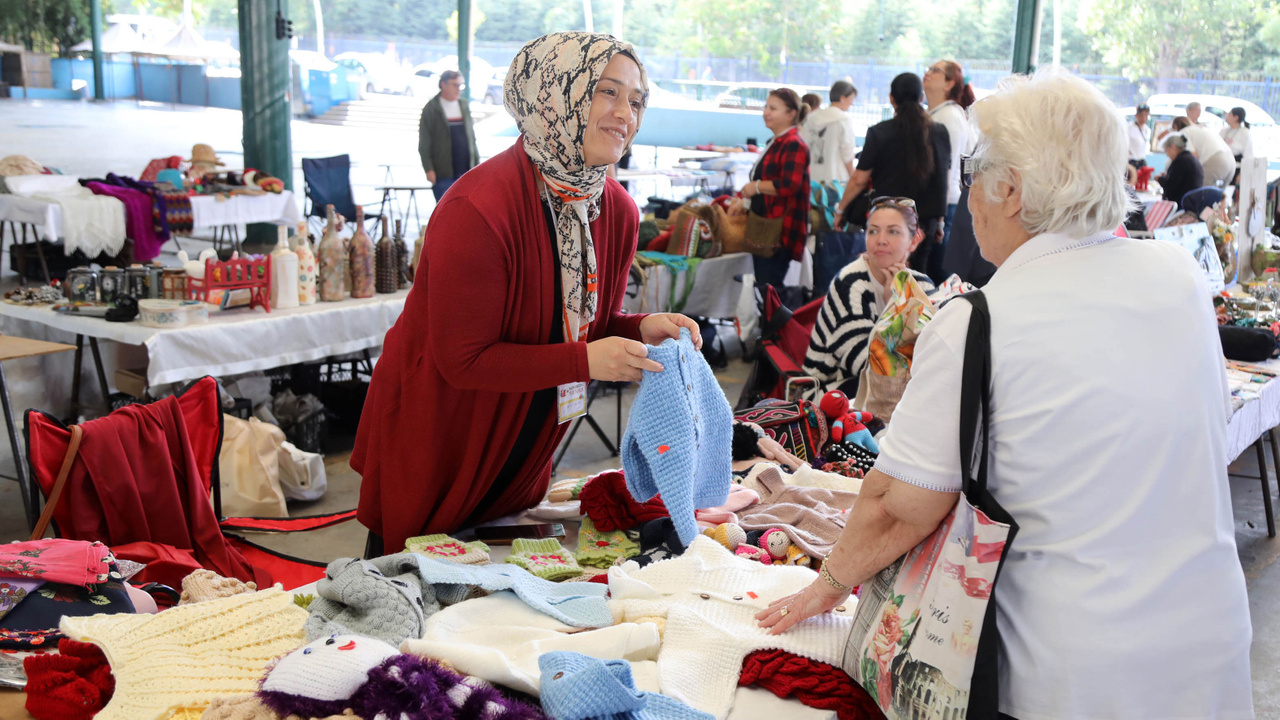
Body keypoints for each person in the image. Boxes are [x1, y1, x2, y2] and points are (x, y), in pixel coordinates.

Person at [757, 70, 1253, 720]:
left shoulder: (977, 322)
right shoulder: (1179, 276)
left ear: (1010, 190)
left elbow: (899, 504)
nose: (966, 197)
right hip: (1205, 644)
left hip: (1068, 674)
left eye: (973, 174)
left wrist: (826, 587)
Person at [354, 32, 703, 555]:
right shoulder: (478, 209)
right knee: (407, 604)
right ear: (554, 94)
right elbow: (463, 361)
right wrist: (586, 360)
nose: (624, 115)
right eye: (606, 92)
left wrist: (638, 327)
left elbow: (586, 322)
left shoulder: (615, 209)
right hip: (443, 440)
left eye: (635, 100)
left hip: (525, 443)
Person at [801, 197, 935, 400]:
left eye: (893, 231)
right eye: (873, 231)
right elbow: (865, 363)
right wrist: (894, 307)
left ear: (914, 240)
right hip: (830, 391)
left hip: (892, 387)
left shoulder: (921, 285)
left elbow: (935, 352)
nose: (881, 239)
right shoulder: (850, 283)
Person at [834, 73, 949, 276]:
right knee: (916, 276)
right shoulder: (939, 131)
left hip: (889, 221)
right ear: (921, 98)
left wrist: (841, 210)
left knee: (884, 274)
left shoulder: (880, 132)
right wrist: (939, 221)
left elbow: (859, 179)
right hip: (925, 222)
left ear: (891, 98)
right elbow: (942, 180)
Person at [728, 88, 811, 294]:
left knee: (770, 290)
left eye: (773, 108)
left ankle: (772, 327)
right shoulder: (776, 141)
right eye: (766, 106)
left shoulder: (793, 144)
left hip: (779, 231)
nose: (766, 112)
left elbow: (788, 184)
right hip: (767, 225)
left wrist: (755, 187)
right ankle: (767, 325)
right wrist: (746, 200)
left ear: (791, 114)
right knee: (765, 287)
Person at [923, 59, 976, 283]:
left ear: (949, 83)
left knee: (938, 275)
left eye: (935, 70)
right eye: (929, 68)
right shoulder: (938, 114)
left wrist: (941, 221)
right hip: (936, 205)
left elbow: (948, 169)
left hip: (943, 207)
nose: (927, 73)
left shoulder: (949, 117)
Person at [418, 70, 480, 202]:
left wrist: (476, 164)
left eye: (460, 85)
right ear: (443, 85)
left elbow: (471, 138)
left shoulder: (463, 105)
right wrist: (429, 169)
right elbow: (424, 142)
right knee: (446, 210)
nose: (458, 89)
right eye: (455, 85)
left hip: (466, 170)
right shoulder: (432, 108)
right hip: (443, 173)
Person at [802, 80, 858, 183]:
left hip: (812, 177)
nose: (852, 103)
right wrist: (854, 177)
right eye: (851, 99)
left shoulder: (811, 118)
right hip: (836, 180)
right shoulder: (844, 119)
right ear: (842, 98)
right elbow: (847, 152)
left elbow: (804, 146)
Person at [1171, 115, 1232, 188]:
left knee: (1198, 193)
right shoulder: (1200, 128)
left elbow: (1193, 156)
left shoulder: (1183, 132)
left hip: (1215, 160)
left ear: (1175, 127)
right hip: (1231, 160)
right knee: (1220, 196)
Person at [1156, 134, 1205, 208]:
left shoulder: (1180, 161)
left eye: (1167, 151)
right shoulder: (1191, 158)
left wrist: (1159, 178)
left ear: (1173, 147)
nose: (1167, 155)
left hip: (1182, 204)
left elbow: (1170, 187)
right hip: (1192, 202)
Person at [1128, 103, 1151, 168]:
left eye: (1146, 115)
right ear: (1136, 116)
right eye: (1142, 115)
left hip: (1141, 161)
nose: (1144, 118)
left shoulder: (1146, 128)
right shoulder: (1129, 128)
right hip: (1131, 161)